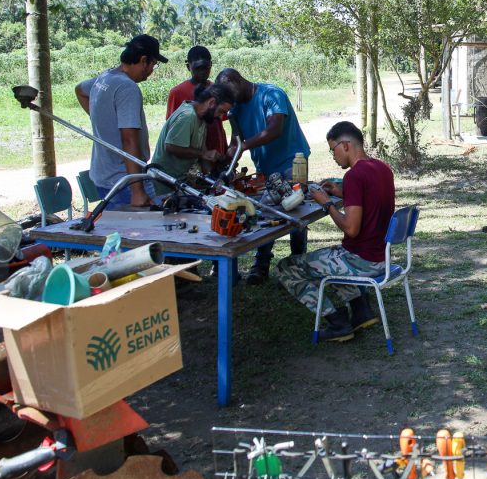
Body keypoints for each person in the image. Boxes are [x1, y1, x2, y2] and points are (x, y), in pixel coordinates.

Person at [278, 122, 393, 342]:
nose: (333, 156)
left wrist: (327, 203)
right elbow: (370, 197)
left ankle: (337, 322)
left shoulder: (354, 175)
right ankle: (361, 312)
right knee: (329, 255)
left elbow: (351, 229)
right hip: (380, 255)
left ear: (346, 145)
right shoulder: (381, 168)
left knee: (286, 267)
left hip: (362, 260)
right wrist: (341, 191)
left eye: (333, 150)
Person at [215, 68, 311, 284]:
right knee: (266, 211)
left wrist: (244, 147)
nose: (229, 99)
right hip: (266, 166)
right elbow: (236, 139)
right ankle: (261, 264)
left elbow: (274, 129)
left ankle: (299, 261)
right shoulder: (236, 108)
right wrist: (229, 160)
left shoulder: (271, 94)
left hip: (293, 162)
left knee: (297, 211)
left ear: (235, 80)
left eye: (229, 92)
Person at [75, 34, 166, 209]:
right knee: (143, 231)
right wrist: (137, 191)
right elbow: (129, 139)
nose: (152, 70)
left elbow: (80, 90)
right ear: (143, 60)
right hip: (124, 180)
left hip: (103, 177)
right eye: (154, 64)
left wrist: (102, 120)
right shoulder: (127, 88)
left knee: (115, 232)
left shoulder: (105, 78)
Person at [149, 83, 236, 196]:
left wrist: (211, 177)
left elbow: (202, 148)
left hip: (178, 181)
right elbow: (171, 146)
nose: (220, 116)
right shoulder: (188, 116)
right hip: (164, 184)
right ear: (211, 103)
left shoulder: (202, 117)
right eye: (221, 111)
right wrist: (204, 153)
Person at [166, 45, 227, 160]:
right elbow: (173, 130)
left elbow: (220, 124)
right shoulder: (177, 92)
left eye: (206, 68)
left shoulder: (217, 90)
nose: (202, 72)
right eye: (198, 68)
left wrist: (225, 148)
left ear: (211, 65)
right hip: (191, 153)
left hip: (216, 149)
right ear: (188, 66)